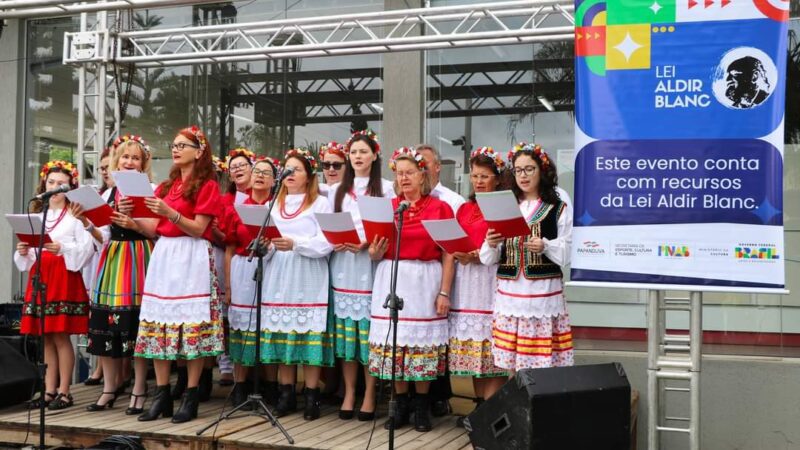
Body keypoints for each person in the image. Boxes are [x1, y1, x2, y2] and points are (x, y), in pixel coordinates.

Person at [135, 125, 224, 424]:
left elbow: (200, 228)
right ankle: (161, 395)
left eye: (183, 145)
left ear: (199, 152)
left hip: (192, 255)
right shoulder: (164, 187)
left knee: (192, 326)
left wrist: (169, 213)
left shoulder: (207, 185)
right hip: (165, 255)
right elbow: (155, 229)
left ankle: (192, 395)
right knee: (158, 324)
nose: (175, 149)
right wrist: (132, 219)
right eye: (174, 145)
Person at [367, 147, 455, 432]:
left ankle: (421, 406)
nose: (404, 178)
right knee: (395, 345)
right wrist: (375, 252)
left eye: (409, 173)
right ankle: (400, 403)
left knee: (421, 347)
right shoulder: (389, 206)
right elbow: (376, 248)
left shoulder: (439, 208)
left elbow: (449, 252)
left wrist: (444, 292)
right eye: (399, 173)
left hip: (423, 280)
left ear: (422, 175)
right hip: (391, 276)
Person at [78, 136, 158, 414]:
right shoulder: (108, 194)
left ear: (143, 163)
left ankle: (139, 387)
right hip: (112, 256)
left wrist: (132, 221)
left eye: (135, 158)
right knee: (104, 322)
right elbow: (104, 236)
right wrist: (85, 222)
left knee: (135, 323)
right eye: (125, 157)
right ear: (116, 161)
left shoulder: (151, 190)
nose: (129, 162)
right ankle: (109, 388)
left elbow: (155, 230)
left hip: (138, 255)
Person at [481, 143, 574, 373]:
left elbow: (568, 250)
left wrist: (545, 246)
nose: (523, 175)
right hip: (511, 296)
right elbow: (489, 257)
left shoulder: (557, 207)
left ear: (542, 170)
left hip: (541, 295)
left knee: (542, 364)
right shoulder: (505, 206)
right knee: (513, 364)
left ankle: (540, 407)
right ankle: (520, 406)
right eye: (518, 170)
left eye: (529, 169)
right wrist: (491, 243)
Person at [260, 148, 333, 421]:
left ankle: (311, 395)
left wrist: (296, 244)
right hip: (278, 274)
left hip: (307, 273)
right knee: (283, 335)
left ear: (309, 175)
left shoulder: (320, 204)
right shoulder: (273, 204)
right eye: (286, 170)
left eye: (296, 170)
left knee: (307, 335)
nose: (289, 175)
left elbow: (327, 243)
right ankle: (286, 393)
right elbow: (266, 241)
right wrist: (266, 247)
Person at [15, 160, 94, 410]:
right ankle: (48, 390)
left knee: (61, 336)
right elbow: (26, 260)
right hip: (41, 275)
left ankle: (65, 391)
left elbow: (87, 248)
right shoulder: (38, 215)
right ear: (44, 184)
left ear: (70, 187)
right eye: (51, 182)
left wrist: (63, 248)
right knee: (45, 336)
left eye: (61, 184)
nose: (55, 187)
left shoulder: (75, 216)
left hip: (63, 275)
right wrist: (23, 250)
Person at [329, 130, 393, 421]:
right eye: (353, 152)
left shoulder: (387, 189)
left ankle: (369, 393)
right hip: (343, 266)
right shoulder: (335, 190)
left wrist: (366, 243)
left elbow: (389, 229)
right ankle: (350, 391)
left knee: (367, 337)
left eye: (363, 152)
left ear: (375, 155)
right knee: (347, 337)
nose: (357, 157)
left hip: (370, 265)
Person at [448, 147, 508, 424]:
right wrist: (458, 251)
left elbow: (508, 244)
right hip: (466, 282)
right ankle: (480, 407)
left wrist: (479, 255)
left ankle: (490, 409)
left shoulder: (504, 205)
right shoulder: (465, 207)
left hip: (489, 280)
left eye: (485, 176)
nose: (479, 181)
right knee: (473, 351)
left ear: (497, 178)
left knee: (491, 351)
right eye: (475, 176)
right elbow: (454, 238)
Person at [225, 157, 278, 408]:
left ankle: (270, 387)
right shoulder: (237, 206)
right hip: (242, 268)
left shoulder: (278, 208)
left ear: (274, 180)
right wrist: (228, 287)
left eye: (266, 173)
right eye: (257, 171)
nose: (260, 176)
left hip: (271, 268)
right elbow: (229, 247)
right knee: (241, 328)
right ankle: (240, 386)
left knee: (266, 328)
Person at [415, 143, 464, 416]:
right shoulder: (404, 201)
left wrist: (445, 289)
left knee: (436, 343)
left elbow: (453, 247)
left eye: (425, 163)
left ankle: (438, 396)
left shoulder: (451, 201)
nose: (420, 168)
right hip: (415, 281)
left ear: (436, 167)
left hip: (441, 276)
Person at [83, 146, 114, 386]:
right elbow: (100, 233)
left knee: (118, 318)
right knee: (102, 315)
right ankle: (102, 369)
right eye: (101, 168)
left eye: (108, 166)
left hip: (119, 254)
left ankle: (117, 374)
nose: (104, 171)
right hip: (100, 255)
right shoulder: (102, 195)